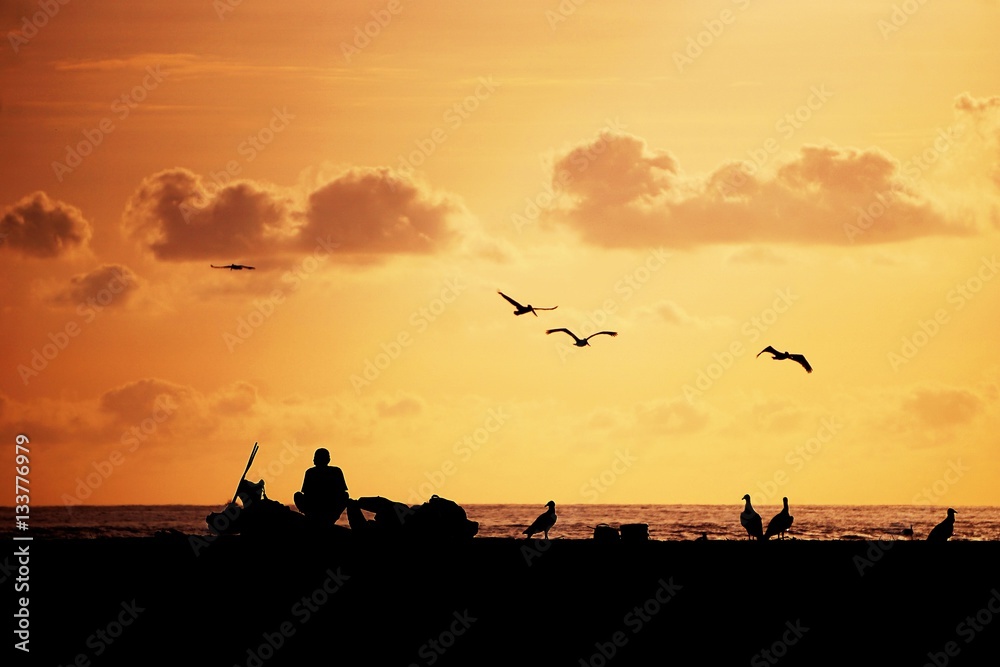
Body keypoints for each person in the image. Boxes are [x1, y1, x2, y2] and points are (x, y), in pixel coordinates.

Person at [293, 448, 349, 526]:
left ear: (315, 460)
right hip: (325, 510)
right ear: (328, 459)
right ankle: (326, 519)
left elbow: (306, 494)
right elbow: (342, 492)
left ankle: (318, 518)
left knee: (297, 495)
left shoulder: (310, 472)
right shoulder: (336, 471)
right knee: (345, 495)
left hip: (319, 510)